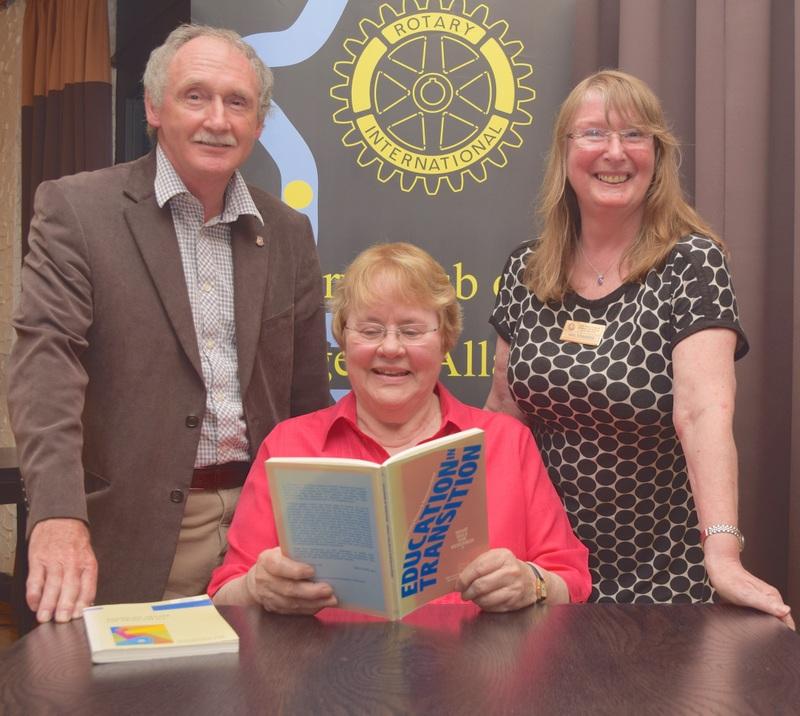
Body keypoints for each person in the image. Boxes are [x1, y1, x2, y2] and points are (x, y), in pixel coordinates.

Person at [7, 24, 331, 623]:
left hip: (266, 531)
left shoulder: (287, 230)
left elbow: (308, 400)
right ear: (154, 108)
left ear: (259, 124)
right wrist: (57, 514)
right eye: (195, 96)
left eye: (238, 102)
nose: (218, 119)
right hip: (134, 533)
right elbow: (45, 366)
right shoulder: (77, 210)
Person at [486, 69, 794, 627]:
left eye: (635, 135)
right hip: (541, 571)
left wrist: (723, 556)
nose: (615, 152)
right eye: (593, 133)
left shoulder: (692, 264)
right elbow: (504, 416)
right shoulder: (526, 269)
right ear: (564, 151)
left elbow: (703, 414)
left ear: (657, 154)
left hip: (660, 575)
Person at [209, 243, 590, 613]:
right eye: (371, 330)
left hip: (476, 671)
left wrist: (532, 582)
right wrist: (256, 587)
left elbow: (571, 579)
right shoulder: (289, 445)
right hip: (324, 672)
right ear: (343, 339)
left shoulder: (506, 442)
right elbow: (225, 592)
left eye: (411, 331)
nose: (390, 349)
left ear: (446, 341)